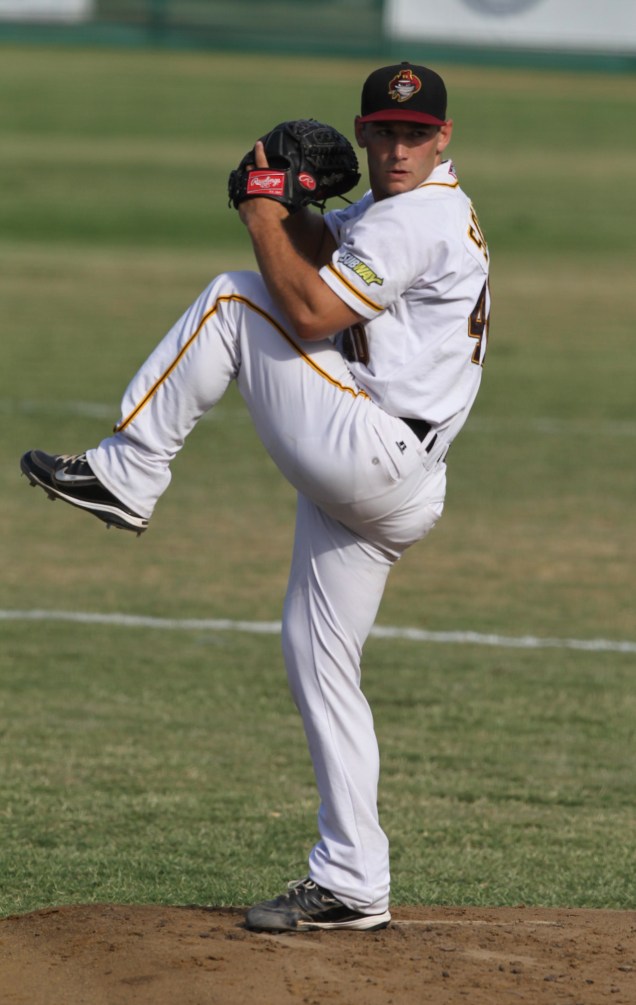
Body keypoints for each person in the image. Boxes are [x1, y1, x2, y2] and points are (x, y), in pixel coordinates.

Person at [20, 62, 490, 932]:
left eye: (414, 133)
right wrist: (286, 201)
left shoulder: (418, 220)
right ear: (364, 130)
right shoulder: (406, 211)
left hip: (373, 451)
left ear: (443, 138)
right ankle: (353, 879)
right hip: (390, 470)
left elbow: (305, 311)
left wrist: (258, 203)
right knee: (321, 665)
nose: (396, 147)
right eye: (382, 132)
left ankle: (129, 470)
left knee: (235, 301)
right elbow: (317, 256)